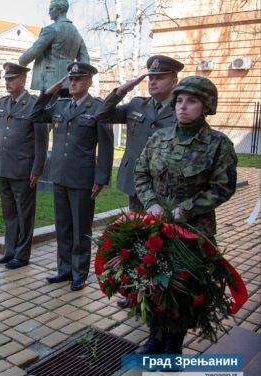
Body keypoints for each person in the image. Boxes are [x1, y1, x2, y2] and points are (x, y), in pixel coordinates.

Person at [134, 76, 238, 355]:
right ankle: (155, 337)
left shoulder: (218, 144)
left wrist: (185, 209)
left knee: (183, 288)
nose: (183, 107)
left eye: (191, 101)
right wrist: (152, 203)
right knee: (155, 283)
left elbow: (223, 186)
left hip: (193, 233)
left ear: (206, 106)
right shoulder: (159, 137)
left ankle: (173, 344)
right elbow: (141, 174)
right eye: (179, 101)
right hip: (156, 229)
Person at [96, 55, 184, 308]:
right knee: (138, 238)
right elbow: (102, 114)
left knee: (161, 240)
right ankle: (136, 290)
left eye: (160, 77)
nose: (153, 82)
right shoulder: (137, 104)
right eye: (151, 77)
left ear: (174, 81)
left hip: (164, 189)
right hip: (136, 183)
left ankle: (159, 292)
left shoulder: (181, 107)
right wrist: (122, 90)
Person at [31, 62, 114, 290]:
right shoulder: (60, 106)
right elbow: (35, 114)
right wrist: (50, 92)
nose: (73, 82)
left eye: (78, 79)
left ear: (89, 82)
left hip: (82, 177)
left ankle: (79, 273)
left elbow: (106, 146)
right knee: (63, 226)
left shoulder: (97, 107)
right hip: (59, 174)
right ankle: (64, 270)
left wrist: (101, 177)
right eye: (71, 79)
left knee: (81, 228)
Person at [0, 63, 48, 269]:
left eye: (11, 79)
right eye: (6, 79)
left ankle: (22, 255)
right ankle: (10, 251)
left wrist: (37, 169)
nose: (7, 82)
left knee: (24, 214)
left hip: (23, 170)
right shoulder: (3, 102)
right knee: (9, 213)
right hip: (3, 167)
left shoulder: (34, 104)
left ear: (23, 80)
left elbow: (41, 141)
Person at [18, 0, 89, 92]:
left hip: (50, 82)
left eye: (51, 9)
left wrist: (22, 61)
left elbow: (35, 50)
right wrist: (80, 78)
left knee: (45, 106)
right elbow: (85, 60)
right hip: (70, 82)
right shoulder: (76, 33)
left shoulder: (51, 29)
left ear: (59, 10)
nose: (49, 12)